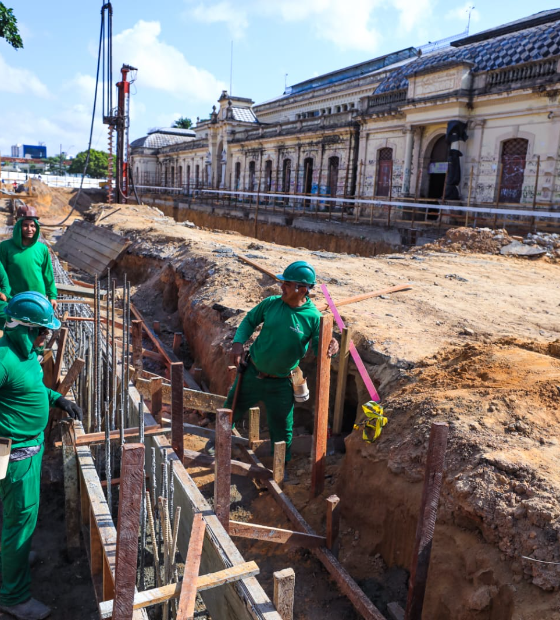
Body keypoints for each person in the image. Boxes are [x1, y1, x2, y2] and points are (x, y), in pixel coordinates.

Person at [0, 292, 82, 620]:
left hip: (24, 451)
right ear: (24, 328)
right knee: (21, 517)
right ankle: (14, 597)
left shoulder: (24, 354)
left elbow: (29, 387)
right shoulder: (5, 358)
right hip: (16, 455)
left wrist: (55, 398)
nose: (45, 338)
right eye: (41, 331)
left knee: (15, 517)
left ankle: (13, 556)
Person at [212, 261, 338, 463]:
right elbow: (250, 321)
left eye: (287, 284)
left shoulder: (313, 318)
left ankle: (280, 468)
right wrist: (238, 343)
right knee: (229, 411)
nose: (282, 287)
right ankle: (215, 447)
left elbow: (319, 348)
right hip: (252, 374)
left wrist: (331, 343)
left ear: (302, 289)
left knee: (282, 430)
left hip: (281, 384)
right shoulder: (271, 304)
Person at [0, 210, 57, 311]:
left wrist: (52, 296)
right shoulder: (5, 247)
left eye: (33, 225)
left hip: (38, 300)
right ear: (18, 227)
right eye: (25, 225)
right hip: (13, 299)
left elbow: (48, 274)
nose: (30, 229)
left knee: (37, 325)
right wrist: (2, 292)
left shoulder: (42, 248)